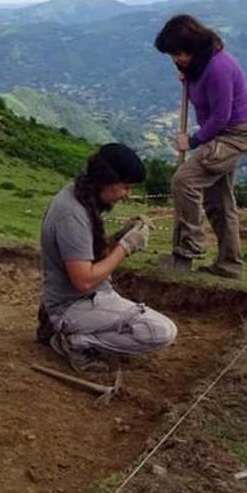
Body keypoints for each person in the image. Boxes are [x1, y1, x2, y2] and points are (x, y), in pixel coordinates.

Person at [36, 144, 178, 374]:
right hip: (74, 303)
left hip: (88, 297)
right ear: (107, 180)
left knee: (148, 326)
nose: (127, 194)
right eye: (126, 186)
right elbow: (83, 280)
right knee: (161, 331)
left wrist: (120, 235)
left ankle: (68, 330)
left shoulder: (80, 197)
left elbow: (86, 254)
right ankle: (74, 340)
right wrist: (125, 247)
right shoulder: (71, 215)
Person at [155, 14, 247, 279]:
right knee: (219, 203)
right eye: (172, 55)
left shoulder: (218, 67)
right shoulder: (198, 65)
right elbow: (199, 87)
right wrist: (187, 76)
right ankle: (230, 265)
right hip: (221, 134)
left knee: (184, 181)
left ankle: (189, 247)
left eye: (179, 53)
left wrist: (191, 141)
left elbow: (221, 116)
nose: (176, 59)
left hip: (233, 135)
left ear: (193, 45)